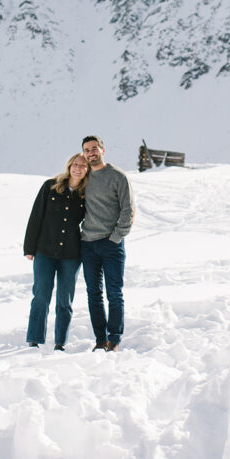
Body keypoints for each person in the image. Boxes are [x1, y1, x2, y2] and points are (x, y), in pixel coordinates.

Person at [23, 153, 88, 351]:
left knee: (64, 299)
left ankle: (60, 342)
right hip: (44, 250)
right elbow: (36, 216)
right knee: (41, 294)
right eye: (75, 164)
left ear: (87, 170)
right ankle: (34, 339)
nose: (78, 168)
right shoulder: (50, 186)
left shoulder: (87, 194)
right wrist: (29, 247)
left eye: (83, 166)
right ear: (69, 165)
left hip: (71, 254)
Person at [80, 135, 135, 352]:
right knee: (93, 294)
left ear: (103, 150)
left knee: (114, 293)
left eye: (94, 148)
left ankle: (114, 340)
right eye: (87, 150)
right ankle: (100, 340)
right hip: (88, 245)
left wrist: (116, 236)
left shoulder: (117, 176)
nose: (91, 153)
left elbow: (128, 209)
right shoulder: (83, 178)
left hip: (111, 244)